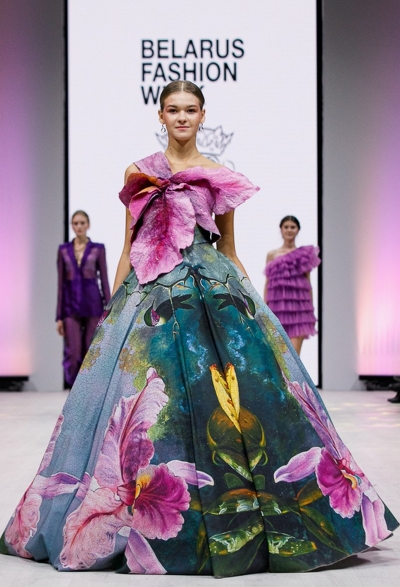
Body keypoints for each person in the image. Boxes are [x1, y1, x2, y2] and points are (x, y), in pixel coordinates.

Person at [1, 81, 397, 576]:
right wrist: (113, 309)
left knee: (232, 399)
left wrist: (255, 307)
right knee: (151, 402)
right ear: (161, 115)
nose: (182, 117)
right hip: (152, 290)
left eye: (190, 110)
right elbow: (128, 245)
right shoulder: (139, 172)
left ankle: (242, 516)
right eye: (173, 109)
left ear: (203, 115)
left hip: (211, 291)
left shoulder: (218, 176)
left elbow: (227, 248)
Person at [56, 210, 110, 388]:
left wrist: (110, 310)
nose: (79, 226)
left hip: (93, 304)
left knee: (91, 349)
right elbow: (61, 284)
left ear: (88, 225)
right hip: (70, 306)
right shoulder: (64, 250)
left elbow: (104, 280)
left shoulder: (97, 249)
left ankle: (89, 390)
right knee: (73, 352)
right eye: (75, 223)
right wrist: (59, 317)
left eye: (82, 223)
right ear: (72, 226)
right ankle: (74, 389)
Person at [264, 216, 320, 355]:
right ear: (281, 229)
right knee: (280, 356)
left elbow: (308, 283)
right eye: (286, 227)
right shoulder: (272, 255)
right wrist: (264, 308)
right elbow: (268, 283)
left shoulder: (303, 255)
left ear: (298, 230)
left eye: (293, 227)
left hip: (299, 311)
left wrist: (311, 312)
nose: (289, 230)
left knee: (295, 356)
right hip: (277, 309)